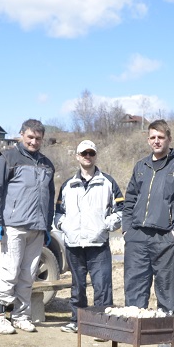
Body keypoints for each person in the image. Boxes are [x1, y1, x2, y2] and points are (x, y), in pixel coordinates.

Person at [122, 119, 174, 347]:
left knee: (166, 286)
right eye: (153, 137)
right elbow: (130, 198)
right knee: (135, 284)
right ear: (148, 139)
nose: (156, 141)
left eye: (161, 137)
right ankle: (135, 329)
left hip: (164, 236)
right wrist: (126, 228)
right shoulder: (141, 166)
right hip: (137, 235)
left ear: (169, 139)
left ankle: (165, 334)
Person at [0, 119, 55, 334]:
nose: (34, 141)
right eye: (30, 137)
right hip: (14, 226)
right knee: (9, 270)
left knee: (28, 273)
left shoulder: (46, 164)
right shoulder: (7, 158)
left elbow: (50, 197)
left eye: (38, 138)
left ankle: (21, 316)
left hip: (37, 228)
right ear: (21, 135)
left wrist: (47, 226)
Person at [54, 139, 124, 333]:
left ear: (95, 156)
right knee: (77, 287)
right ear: (77, 156)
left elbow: (122, 210)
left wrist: (105, 225)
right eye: (83, 153)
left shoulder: (108, 182)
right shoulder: (68, 185)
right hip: (74, 244)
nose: (87, 156)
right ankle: (77, 321)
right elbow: (58, 213)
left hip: (98, 244)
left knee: (102, 287)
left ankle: (103, 324)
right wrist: (64, 226)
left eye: (91, 153)